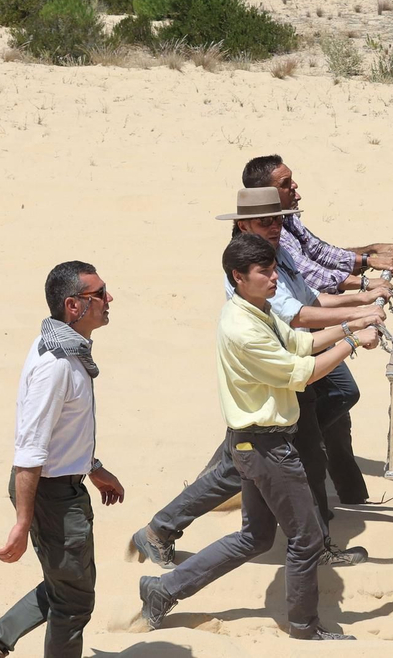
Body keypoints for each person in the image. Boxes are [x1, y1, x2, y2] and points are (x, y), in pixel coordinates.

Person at [137, 234, 378, 641]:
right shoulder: (242, 328)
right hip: (265, 447)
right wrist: (354, 340)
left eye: (272, 269)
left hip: (259, 444)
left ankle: (163, 589)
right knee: (306, 538)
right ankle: (304, 627)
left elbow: (301, 342)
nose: (272, 279)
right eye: (263, 272)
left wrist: (352, 322)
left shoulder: (257, 310)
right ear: (238, 276)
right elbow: (299, 372)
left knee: (255, 537)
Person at [0, 262, 125, 658]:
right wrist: (23, 523)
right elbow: (30, 452)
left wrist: (92, 468)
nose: (109, 299)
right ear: (73, 306)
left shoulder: (62, 343)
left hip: (62, 484)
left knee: (68, 584)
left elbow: (61, 432)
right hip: (50, 494)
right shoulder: (56, 366)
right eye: (99, 294)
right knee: (74, 602)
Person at [243, 154, 393, 505]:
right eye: (285, 184)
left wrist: (364, 279)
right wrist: (360, 300)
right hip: (287, 348)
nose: (294, 188)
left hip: (308, 335)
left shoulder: (284, 225)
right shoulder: (260, 252)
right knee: (322, 418)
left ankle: (347, 491)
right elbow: (304, 301)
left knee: (337, 413)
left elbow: (318, 258)